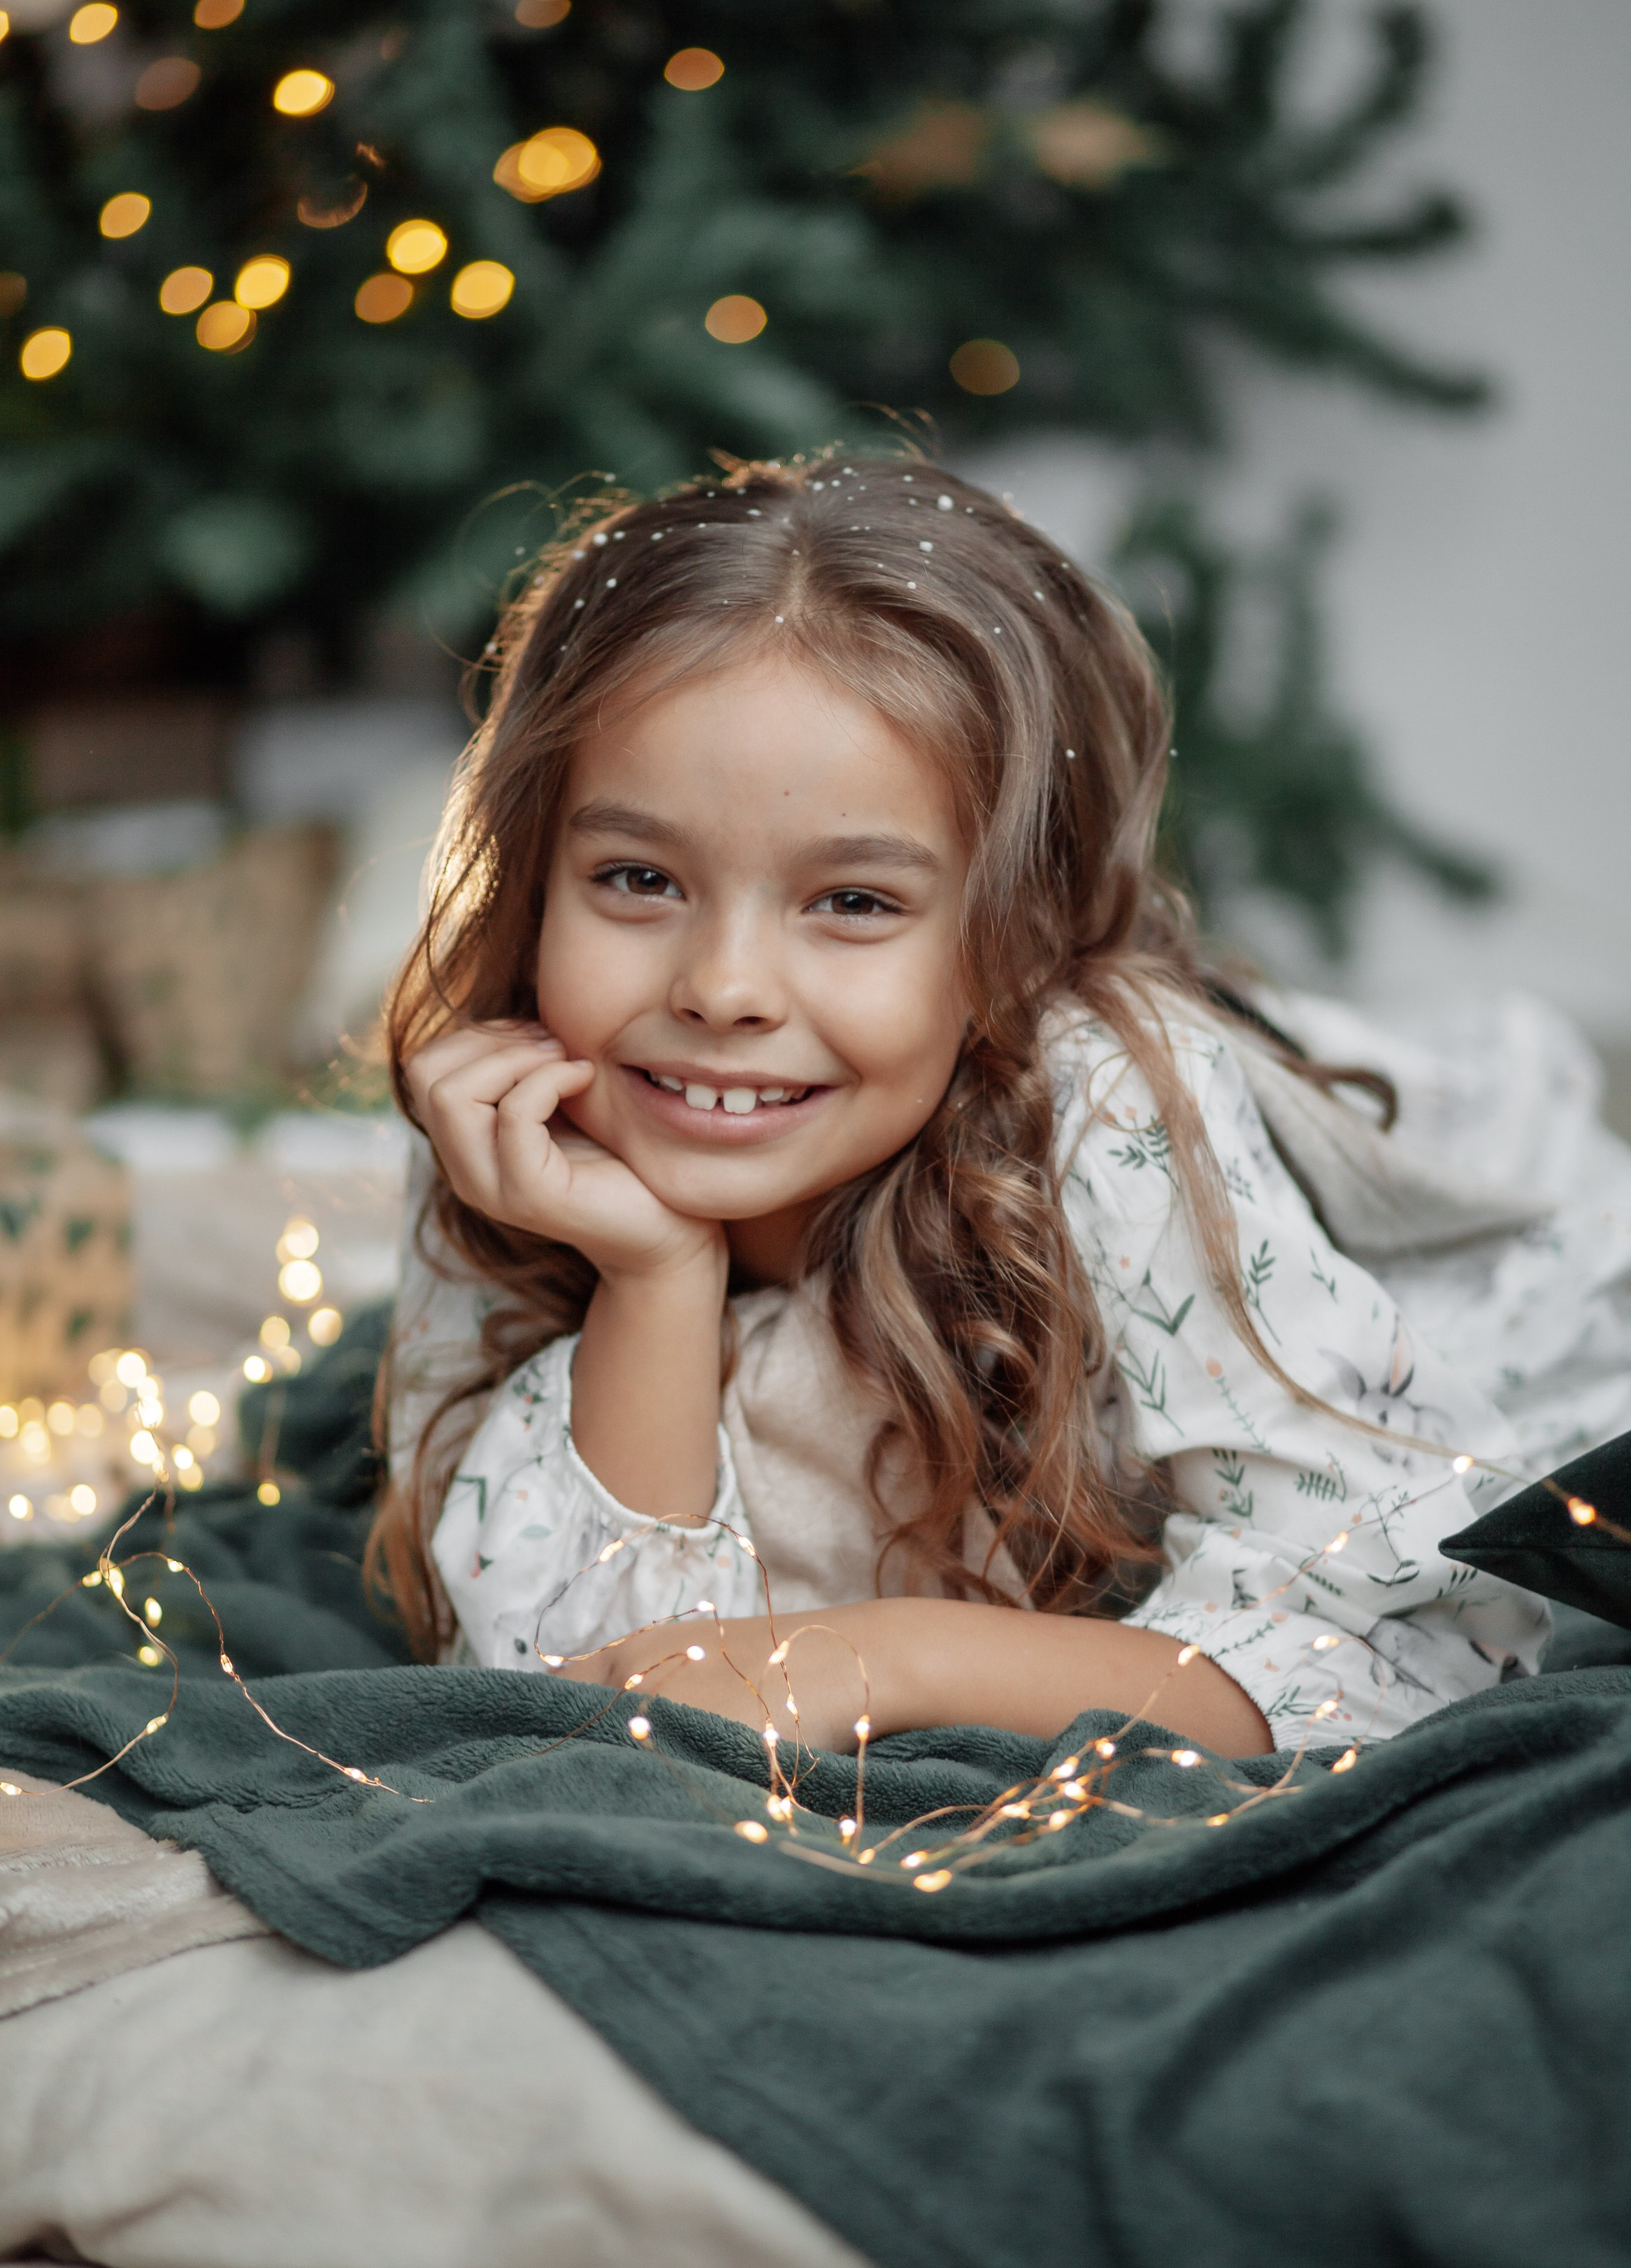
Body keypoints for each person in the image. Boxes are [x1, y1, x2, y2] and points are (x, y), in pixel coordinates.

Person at [373, 456, 1631, 1764]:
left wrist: (887, 1656)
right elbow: (577, 1692)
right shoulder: (514, 1110)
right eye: (636, 878)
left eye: (853, 901)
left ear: (1017, 934)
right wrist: (652, 1278)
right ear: (530, 880)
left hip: (1471, 1312)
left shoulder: (1105, 1111)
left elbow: (1402, 1653)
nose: (722, 989)